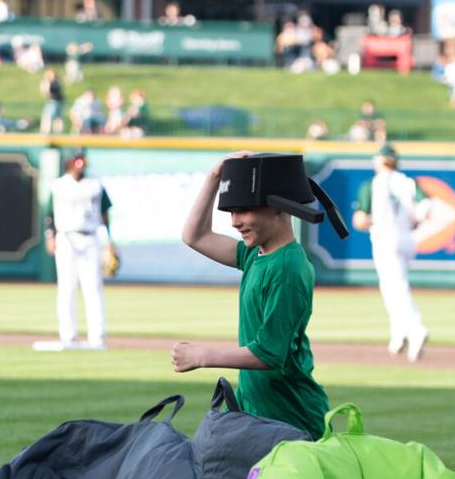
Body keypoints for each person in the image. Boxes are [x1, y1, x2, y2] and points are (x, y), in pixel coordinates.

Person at [175, 152, 348, 438]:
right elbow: (195, 236)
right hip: (259, 414)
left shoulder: (286, 268)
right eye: (231, 212)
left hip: (291, 419)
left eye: (244, 210)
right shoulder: (256, 255)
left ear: (278, 207)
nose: (234, 221)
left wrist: (202, 355)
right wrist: (214, 177)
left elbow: (269, 353)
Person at [352, 144, 429, 360]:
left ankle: (416, 329)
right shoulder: (407, 181)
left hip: (385, 238)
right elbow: (426, 206)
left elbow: (360, 220)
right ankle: (398, 335)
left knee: (396, 287)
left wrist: (369, 220)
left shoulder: (372, 184)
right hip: (407, 238)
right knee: (391, 286)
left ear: (380, 161)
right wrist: (416, 219)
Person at [42, 149, 115, 350]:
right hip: (66, 237)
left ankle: (98, 335)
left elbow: (105, 212)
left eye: (82, 160)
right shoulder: (58, 185)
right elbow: (48, 214)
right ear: (70, 162)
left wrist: (109, 240)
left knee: (93, 287)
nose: (80, 164)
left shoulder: (95, 185)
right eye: (77, 160)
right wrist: (50, 236)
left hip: (90, 237)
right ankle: (68, 334)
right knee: (67, 287)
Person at [39, 68, 65, 134]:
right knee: (58, 117)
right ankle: (58, 132)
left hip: (53, 101)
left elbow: (47, 93)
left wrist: (45, 84)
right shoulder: (58, 82)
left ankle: (45, 132)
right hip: (59, 101)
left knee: (48, 117)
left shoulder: (53, 82)